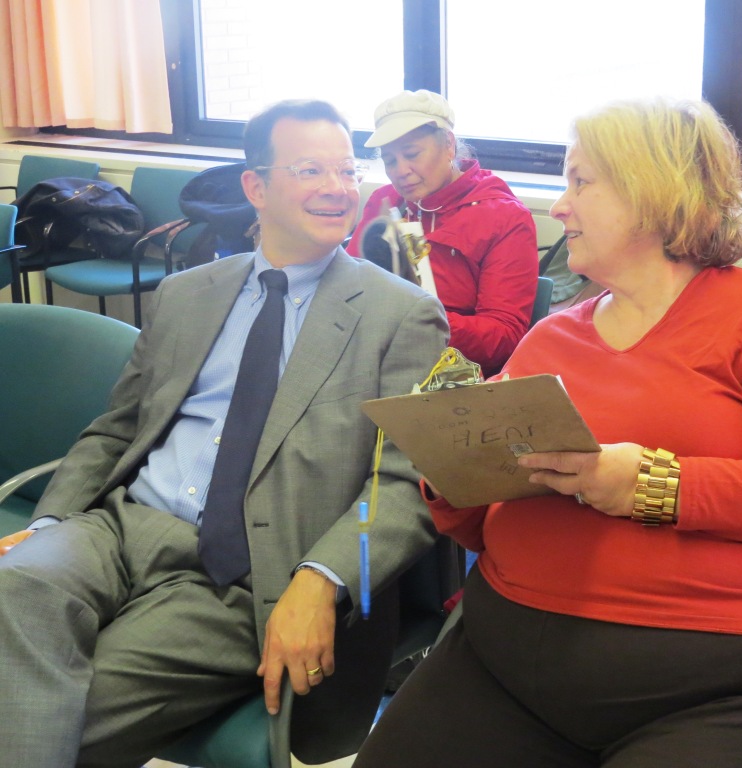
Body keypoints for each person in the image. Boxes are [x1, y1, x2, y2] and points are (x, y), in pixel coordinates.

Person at [353, 99, 742, 768]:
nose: (558, 207)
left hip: (736, 683)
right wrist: (452, 475)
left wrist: (650, 485)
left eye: (580, 182)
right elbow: (486, 526)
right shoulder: (551, 338)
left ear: (653, 191)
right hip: (507, 666)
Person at [0, 99, 448, 767]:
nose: (337, 188)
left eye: (346, 170)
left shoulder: (400, 315)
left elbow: (407, 484)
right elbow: (117, 426)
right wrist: (51, 523)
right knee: (19, 584)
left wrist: (323, 577)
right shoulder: (189, 293)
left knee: (54, 715)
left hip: (245, 569)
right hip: (117, 528)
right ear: (255, 187)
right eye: (309, 170)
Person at [348, 89, 538, 376]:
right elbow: (350, 284)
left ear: (448, 145)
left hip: (453, 374)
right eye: (389, 161)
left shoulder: (504, 217)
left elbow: (505, 337)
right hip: (376, 358)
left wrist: (419, 320)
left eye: (412, 154)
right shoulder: (384, 202)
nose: (400, 171)